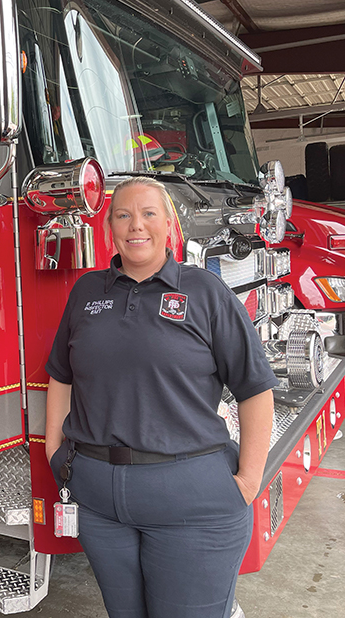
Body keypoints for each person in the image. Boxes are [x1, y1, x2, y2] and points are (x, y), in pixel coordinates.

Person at [45, 175, 278, 618]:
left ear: (169, 224)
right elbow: (61, 376)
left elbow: (254, 389)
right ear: (110, 225)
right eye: (124, 215)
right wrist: (55, 451)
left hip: (191, 503)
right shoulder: (87, 292)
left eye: (149, 214)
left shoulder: (206, 292)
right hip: (98, 503)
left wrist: (248, 480)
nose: (137, 226)